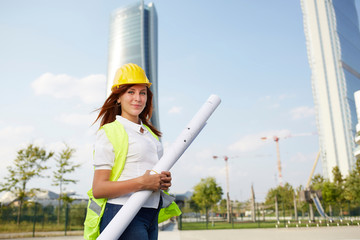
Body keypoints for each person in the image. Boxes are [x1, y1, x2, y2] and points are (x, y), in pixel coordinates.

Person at [83, 63, 180, 240]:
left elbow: (149, 175)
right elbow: (99, 188)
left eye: (142, 92)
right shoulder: (110, 132)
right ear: (118, 97)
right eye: (131, 92)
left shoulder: (151, 135)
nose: (138, 98)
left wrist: (161, 181)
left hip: (150, 214)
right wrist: (143, 183)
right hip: (123, 213)